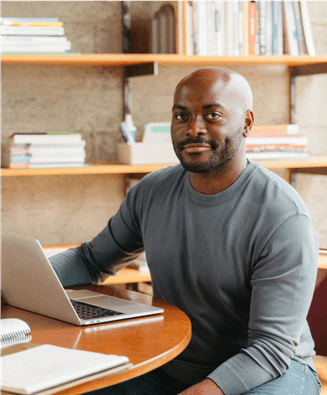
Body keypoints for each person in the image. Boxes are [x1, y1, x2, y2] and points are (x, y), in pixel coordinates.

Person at [50, 68, 321, 395]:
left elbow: (271, 347)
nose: (194, 128)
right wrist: (18, 283)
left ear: (247, 123)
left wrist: (205, 390)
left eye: (213, 115)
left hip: (271, 369)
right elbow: (91, 261)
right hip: (174, 361)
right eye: (182, 115)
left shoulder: (282, 216)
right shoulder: (151, 191)